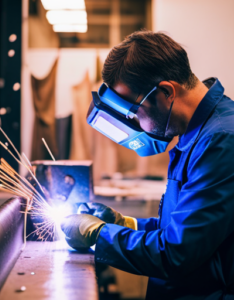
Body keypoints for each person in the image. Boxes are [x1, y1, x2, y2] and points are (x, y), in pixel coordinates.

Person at [60, 30, 234, 299]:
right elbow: (181, 229)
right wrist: (125, 223)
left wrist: (100, 235)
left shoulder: (220, 141)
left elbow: (178, 252)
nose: (137, 125)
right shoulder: (194, 134)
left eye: (133, 113)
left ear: (166, 92)